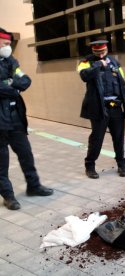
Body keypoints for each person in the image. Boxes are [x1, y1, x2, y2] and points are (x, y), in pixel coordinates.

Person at [0, 27, 53, 210]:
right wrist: (12, 86)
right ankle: (8, 196)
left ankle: (34, 185)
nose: (8, 47)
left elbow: (25, 80)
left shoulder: (10, 60)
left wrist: (9, 84)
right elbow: (13, 86)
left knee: (26, 154)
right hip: (0, 122)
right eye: (6, 44)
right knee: (2, 163)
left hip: (15, 118)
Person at [78, 40, 125, 179]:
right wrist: (98, 64)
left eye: (102, 52)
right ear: (93, 51)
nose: (100, 54)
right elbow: (84, 76)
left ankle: (121, 164)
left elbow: (123, 84)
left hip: (116, 106)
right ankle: (90, 165)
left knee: (118, 138)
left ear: (107, 49)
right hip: (99, 108)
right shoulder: (86, 61)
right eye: (97, 52)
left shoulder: (114, 62)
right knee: (97, 138)